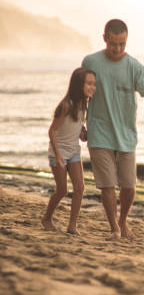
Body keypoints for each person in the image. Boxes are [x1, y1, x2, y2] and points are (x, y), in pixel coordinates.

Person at [82, 19, 144, 240]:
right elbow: (82, 94)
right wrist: (80, 123)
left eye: (122, 44)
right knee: (107, 185)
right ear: (104, 39)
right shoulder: (91, 62)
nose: (118, 49)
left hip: (126, 135)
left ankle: (123, 220)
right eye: (113, 44)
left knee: (129, 186)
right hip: (99, 132)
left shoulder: (135, 67)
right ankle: (114, 228)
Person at [41, 67, 96, 235]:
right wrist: (58, 155)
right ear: (79, 84)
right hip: (58, 152)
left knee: (79, 188)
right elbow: (52, 131)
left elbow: (76, 128)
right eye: (89, 84)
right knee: (62, 190)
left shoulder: (84, 105)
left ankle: (72, 226)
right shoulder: (65, 105)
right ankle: (47, 218)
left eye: (94, 84)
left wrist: (84, 132)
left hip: (74, 151)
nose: (92, 87)